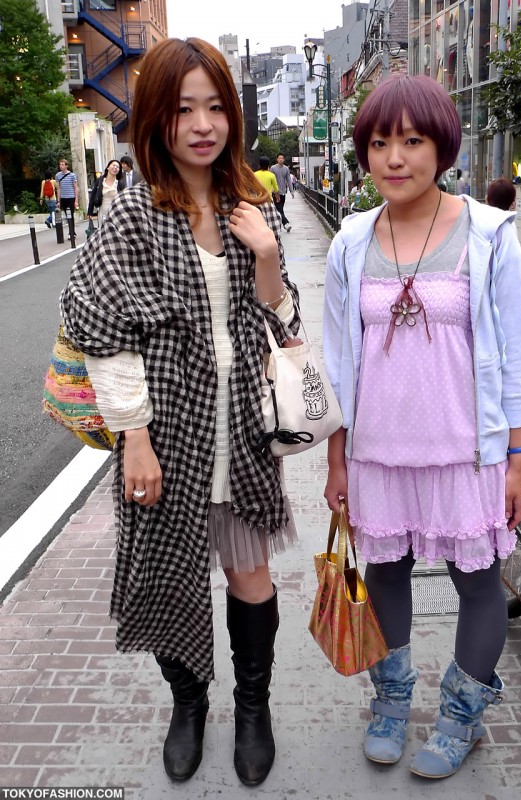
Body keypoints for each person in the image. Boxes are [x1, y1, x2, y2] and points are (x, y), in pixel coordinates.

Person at [60, 37, 301, 788]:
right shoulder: (133, 214)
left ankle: (253, 709)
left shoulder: (246, 204)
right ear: (158, 119)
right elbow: (103, 333)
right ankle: (188, 705)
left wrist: (266, 259)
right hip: (165, 435)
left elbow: (282, 323)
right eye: (184, 109)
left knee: (250, 575)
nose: (203, 124)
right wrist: (134, 440)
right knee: (169, 578)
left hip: (243, 432)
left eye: (215, 107)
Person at [323, 74, 521, 780]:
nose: (394, 157)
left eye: (412, 140)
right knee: (385, 573)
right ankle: (390, 704)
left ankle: (460, 717)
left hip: (466, 453)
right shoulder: (350, 242)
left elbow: (515, 359)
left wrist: (518, 457)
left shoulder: (491, 235)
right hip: (379, 452)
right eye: (379, 142)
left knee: (479, 582)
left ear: (441, 146)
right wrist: (337, 460)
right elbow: (336, 362)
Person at [87, 159, 123, 226]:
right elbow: (93, 196)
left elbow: (123, 199)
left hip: (116, 213)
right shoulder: (100, 181)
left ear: (119, 171)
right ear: (108, 167)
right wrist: (90, 212)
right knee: (103, 233)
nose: (115, 168)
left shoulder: (119, 183)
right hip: (103, 212)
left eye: (117, 167)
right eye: (113, 165)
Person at [270, 153, 294, 232]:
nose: (281, 159)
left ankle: (279, 224)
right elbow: (270, 179)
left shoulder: (286, 169)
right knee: (279, 209)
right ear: (277, 159)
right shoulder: (273, 168)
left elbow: (288, 180)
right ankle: (286, 224)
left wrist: (291, 191)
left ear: (284, 159)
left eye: (282, 158)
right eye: (279, 158)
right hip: (275, 192)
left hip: (283, 192)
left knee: (280, 209)